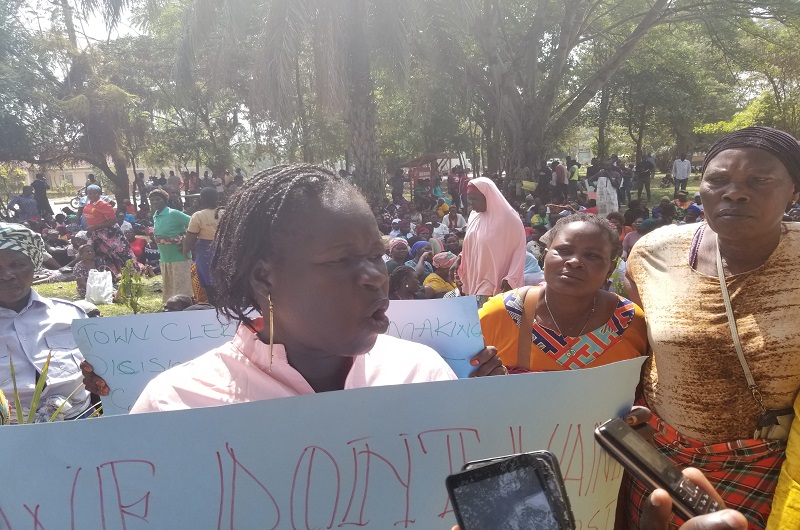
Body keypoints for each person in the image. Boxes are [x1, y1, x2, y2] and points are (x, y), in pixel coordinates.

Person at [126, 165, 503, 413]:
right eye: (341, 260)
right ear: (265, 277)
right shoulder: (177, 406)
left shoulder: (421, 374)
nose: (374, 276)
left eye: (376, 255)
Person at [620, 126, 800, 529]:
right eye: (718, 180)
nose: (734, 192)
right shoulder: (654, 253)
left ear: (794, 190)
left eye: (760, 180)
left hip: (769, 468)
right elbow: (629, 341)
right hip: (660, 459)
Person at [479, 213, 647, 373]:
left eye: (592, 255)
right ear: (545, 258)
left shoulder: (630, 322)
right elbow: (458, 381)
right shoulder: (501, 314)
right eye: (564, 250)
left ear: (609, 270)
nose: (574, 262)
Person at [0, 223, 92, 422]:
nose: (6, 275)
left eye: (17, 264)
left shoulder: (71, 315)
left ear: (34, 265)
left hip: (80, 425)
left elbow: (102, 373)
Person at [457, 177, 526, 307]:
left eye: (474, 199)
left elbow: (519, 249)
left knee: (484, 319)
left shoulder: (509, 219)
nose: (471, 203)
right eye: (469, 199)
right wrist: (460, 258)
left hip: (495, 281)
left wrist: (511, 278)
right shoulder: (474, 216)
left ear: (488, 196)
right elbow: (474, 244)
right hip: (474, 277)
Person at [149, 189, 193, 302]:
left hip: (179, 257)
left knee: (181, 285)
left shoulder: (173, 213)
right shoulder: (155, 216)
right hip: (165, 257)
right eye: (152, 200)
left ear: (164, 200)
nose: (154, 202)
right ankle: (171, 306)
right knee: (170, 285)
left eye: (157, 199)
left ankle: (184, 305)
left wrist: (183, 239)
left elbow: (194, 224)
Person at [83, 185, 137, 274]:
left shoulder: (104, 205)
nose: (92, 195)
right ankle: (109, 272)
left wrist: (96, 227)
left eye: (95, 193)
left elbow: (114, 220)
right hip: (95, 233)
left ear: (99, 193)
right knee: (101, 253)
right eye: (90, 193)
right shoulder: (88, 203)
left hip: (109, 234)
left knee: (117, 253)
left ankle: (128, 271)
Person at [184, 188, 221, 299]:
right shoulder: (226, 212)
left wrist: (186, 249)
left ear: (202, 199)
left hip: (206, 252)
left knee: (209, 284)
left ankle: (213, 307)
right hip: (225, 250)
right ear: (217, 198)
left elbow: (190, 237)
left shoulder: (198, 216)